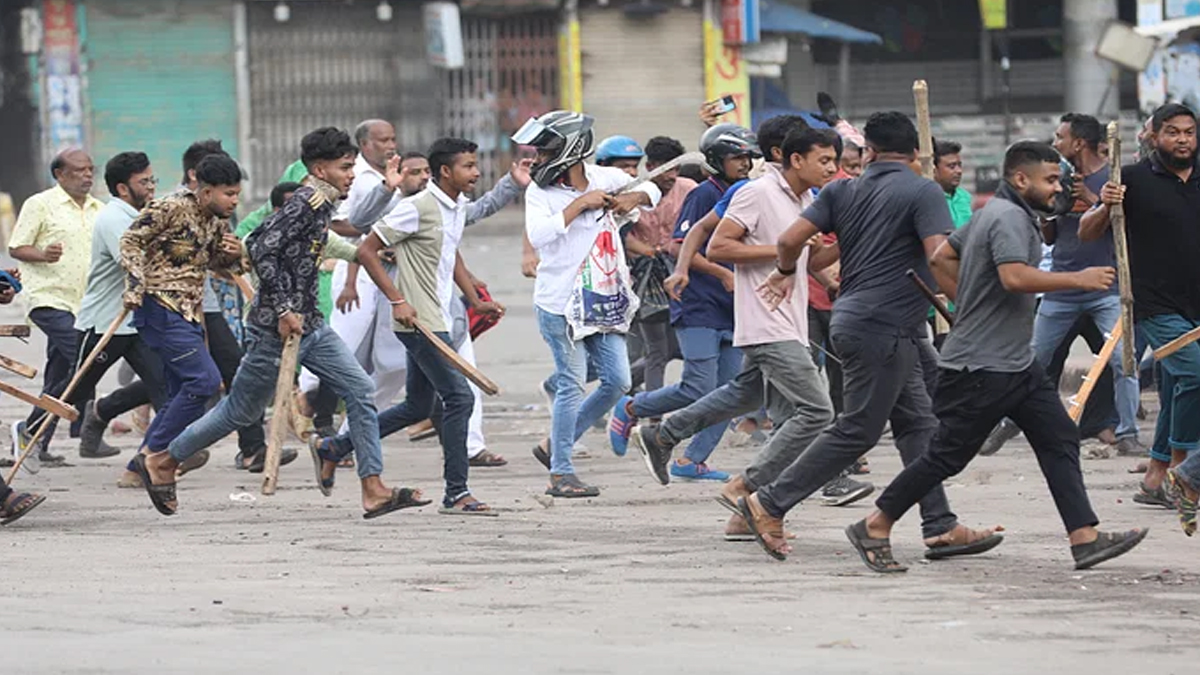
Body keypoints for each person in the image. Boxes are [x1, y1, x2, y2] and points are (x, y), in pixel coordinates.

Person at [844, 141, 1148, 572]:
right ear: (1020, 179)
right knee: (946, 456)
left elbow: (941, 255)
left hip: (1016, 365)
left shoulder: (1001, 214)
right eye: (1049, 180)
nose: (1056, 188)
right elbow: (1013, 277)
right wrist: (1076, 279)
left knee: (1059, 438)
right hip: (981, 367)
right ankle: (875, 523)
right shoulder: (1007, 218)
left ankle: (1084, 538)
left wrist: (965, 299)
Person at [739, 111, 1000, 561]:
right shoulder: (923, 190)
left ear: (870, 152)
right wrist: (973, 309)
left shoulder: (842, 189)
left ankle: (939, 525)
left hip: (860, 320)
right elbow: (939, 258)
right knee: (858, 429)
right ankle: (769, 501)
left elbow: (791, 244)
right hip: (885, 325)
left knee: (919, 425)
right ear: (917, 155)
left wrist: (785, 272)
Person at [134, 127, 426, 519]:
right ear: (320, 169)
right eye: (344, 168)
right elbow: (260, 246)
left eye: (352, 167)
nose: (351, 175)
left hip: (311, 324)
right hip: (277, 329)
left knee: (359, 390)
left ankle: (372, 489)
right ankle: (164, 460)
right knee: (238, 411)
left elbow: (354, 224)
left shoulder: (324, 197)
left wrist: (387, 189)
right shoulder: (306, 201)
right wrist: (286, 307)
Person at [313, 137, 500, 514]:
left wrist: (475, 297)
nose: (476, 172)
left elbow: (451, 253)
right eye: (468, 165)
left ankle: (333, 447)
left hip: (440, 318)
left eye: (475, 164)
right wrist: (398, 300)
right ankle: (457, 492)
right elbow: (367, 250)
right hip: (420, 323)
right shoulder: (416, 208)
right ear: (446, 171)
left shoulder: (457, 207)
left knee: (417, 406)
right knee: (459, 398)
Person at [982, 114, 1143, 459]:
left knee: (1122, 360)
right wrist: (1051, 210)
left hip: (1108, 286)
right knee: (1034, 358)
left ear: (1079, 143)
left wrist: (1093, 197)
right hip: (1061, 287)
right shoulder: (1057, 180)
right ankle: (1011, 421)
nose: (1055, 143)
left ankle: (1127, 432)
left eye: (1060, 137)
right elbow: (1050, 236)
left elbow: (1128, 228)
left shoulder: (1114, 179)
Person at [518, 110, 659, 497]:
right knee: (572, 383)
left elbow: (653, 190)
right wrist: (581, 204)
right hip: (559, 303)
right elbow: (541, 235)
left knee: (617, 381)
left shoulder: (605, 177)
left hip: (602, 299)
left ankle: (553, 445)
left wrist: (632, 196)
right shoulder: (540, 192)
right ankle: (561, 472)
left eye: (545, 151)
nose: (538, 159)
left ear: (571, 149)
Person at [607, 123, 758, 476]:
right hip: (699, 304)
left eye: (748, 156)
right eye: (737, 157)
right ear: (716, 161)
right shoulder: (704, 194)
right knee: (697, 387)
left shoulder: (748, 192)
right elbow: (680, 246)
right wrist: (722, 273)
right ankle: (632, 408)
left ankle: (692, 460)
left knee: (731, 394)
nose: (745, 163)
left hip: (733, 308)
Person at [1084, 103, 1200, 532]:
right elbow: (1088, 231)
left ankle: (1155, 477)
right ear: (1153, 136)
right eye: (1172, 132)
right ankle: (1184, 471)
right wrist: (1104, 206)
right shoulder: (1130, 180)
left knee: (1174, 388)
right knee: (1195, 376)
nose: (1183, 140)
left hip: (1198, 305)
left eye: (1189, 132)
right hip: (1153, 303)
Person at [119, 152, 246, 475]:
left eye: (236, 194)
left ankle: (139, 466)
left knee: (179, 392)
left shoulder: (216, 221)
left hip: (190, 312)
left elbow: (217, 265)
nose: (234, 201)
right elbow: (131, 240)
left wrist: (234, 254)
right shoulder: (169, 207)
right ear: (205, 192)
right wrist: (135, 285)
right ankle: (152, 454)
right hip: (160, 306)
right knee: (205, 383)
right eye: (228, 194)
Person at [57, 152, 168, 462]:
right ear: (122, 189)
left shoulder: (139, 214)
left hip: (135, 322)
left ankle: (162, 451)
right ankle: (30, 432)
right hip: (105, 323)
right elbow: (134, 261)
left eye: (152, 180)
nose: (151, 187)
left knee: (162, 382)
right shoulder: (113, 218)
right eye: (143, 182)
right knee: (75, 390)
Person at [9, 148, 102, 465]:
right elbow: (17, 246)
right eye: (79, 170)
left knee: (60, 373)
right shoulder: (40, 204)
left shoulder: (98, 210)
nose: (87, 175)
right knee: (84, 358)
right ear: (60, 174)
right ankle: (30, 428)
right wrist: (43, 254)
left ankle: (36, 440)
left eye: (91, 169)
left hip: (84, 304)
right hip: (48, 298)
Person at [934, 140, 972, 228]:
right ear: (934, 170)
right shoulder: (928, 199)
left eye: (959, 165)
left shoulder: (964, 196)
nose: (959, 171)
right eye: (952, 166)